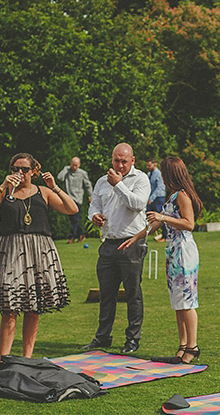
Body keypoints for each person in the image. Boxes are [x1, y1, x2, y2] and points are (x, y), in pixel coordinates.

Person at [0, 154, 78, 358]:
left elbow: (72, 209)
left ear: (33, 171)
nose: (19, 173)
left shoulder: (44, 192)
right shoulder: (5, 192)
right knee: (9, 306)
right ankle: (3, 358)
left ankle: (27, 358)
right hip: (10, 250)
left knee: (34, 307)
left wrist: (55, 187)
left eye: (24, 169)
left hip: (39, 252)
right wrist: (1, 185)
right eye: (15, 169)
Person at [120, 156, 201, 363]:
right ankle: (182, 346)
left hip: (183, 250)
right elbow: (154, 226)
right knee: (178, 301)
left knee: (187, 300)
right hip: (173, 251)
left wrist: (163, 217)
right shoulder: (173, 196)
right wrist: (135, 238)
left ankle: (192, 347)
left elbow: (189, 223)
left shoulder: (182, 196)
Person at [82, 143, 150, 353]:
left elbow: (137, 204)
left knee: (133, 293)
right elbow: (95, 205)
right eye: (116, 160)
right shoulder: (103, 181)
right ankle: (103, 336)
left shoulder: (140, 179)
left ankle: (132, 339)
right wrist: (94, 215)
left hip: (131, 242)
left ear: (133, 161)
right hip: (108, 242)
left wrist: (119, 185)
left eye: (124, 161)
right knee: (106, 294)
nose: (119, 165)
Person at [57, 156, 92, 243]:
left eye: (76, 165)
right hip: (68, 198)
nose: (74, 167)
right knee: (73, 219)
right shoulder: (67, 171)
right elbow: (59, 178)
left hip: (78, 198)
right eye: (73, 165)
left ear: (79, 165)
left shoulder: (82, 173)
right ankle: (81, 234)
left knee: (75, 219)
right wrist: (65, 169)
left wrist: (90, 196)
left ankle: (72, 237)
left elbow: (88, 185)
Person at [145, 158, 166, 241]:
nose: (147, 167)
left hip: (158, 198)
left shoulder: (158, 174)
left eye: (149, 165)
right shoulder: (148, 174)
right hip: (151, 198)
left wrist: (151, 198)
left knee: (161, 217)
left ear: (155, 165)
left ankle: (165, 236)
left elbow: (159, 188)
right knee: (148, 216)